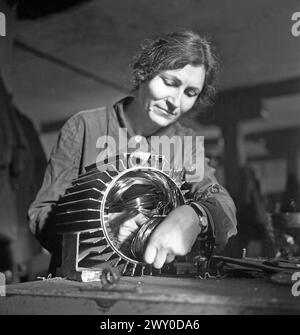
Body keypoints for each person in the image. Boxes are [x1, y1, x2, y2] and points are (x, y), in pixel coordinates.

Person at [28, 30, 237, 274]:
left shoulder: (186, 144)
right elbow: (41, 215)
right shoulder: (85, 127)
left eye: (190, 93)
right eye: (170, 82)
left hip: (153, 286)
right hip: (84, 285)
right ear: (145, 72)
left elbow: (223, 205)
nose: (175, 102)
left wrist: (195, 216)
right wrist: (104, 228)